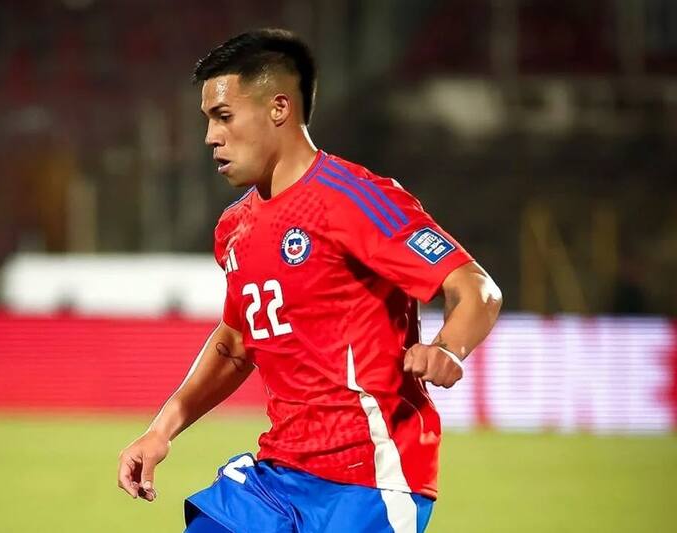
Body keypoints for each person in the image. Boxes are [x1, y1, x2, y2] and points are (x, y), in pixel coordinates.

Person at [117, 28, 502, 533]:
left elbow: (475, 287)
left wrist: (448, 347)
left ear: (279, 108)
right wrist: (160, 431)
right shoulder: (235, 227)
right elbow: (235, 344)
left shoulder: (356, 199)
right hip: (278, 476)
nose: (210, 136)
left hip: (368, 481)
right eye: (208, 121)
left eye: (223, 117)